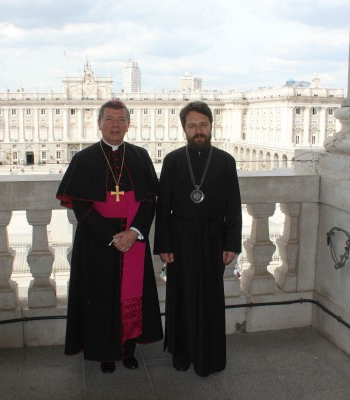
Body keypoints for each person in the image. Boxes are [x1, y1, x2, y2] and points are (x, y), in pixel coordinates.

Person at [56, 99, 163, 373]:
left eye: (120, 119)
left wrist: (134, 233)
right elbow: (81, 206)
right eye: (109, 119)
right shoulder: (84, 159)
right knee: (100, 298)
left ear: (128, 124)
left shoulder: (140, 156)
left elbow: (150, 200)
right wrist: (113, 237)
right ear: (99, 123)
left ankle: (127, 349)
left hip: (133, 240)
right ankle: (104, 352)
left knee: (131, 296)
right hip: (97, 242)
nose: (115, 125)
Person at [154, 101, 242, 377]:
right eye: (192, 126)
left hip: (214, 238)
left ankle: (210, 357)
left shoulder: (226, 161)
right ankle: (183, 354)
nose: (198, 130)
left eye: (203, 124)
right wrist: (165, 244)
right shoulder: (173, 160)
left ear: (211, 126)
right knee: (181, 296)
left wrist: (231, 243)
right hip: (181, 238)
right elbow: (163, 207)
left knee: (210, 298)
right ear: (184, 129)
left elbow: (233, 205)